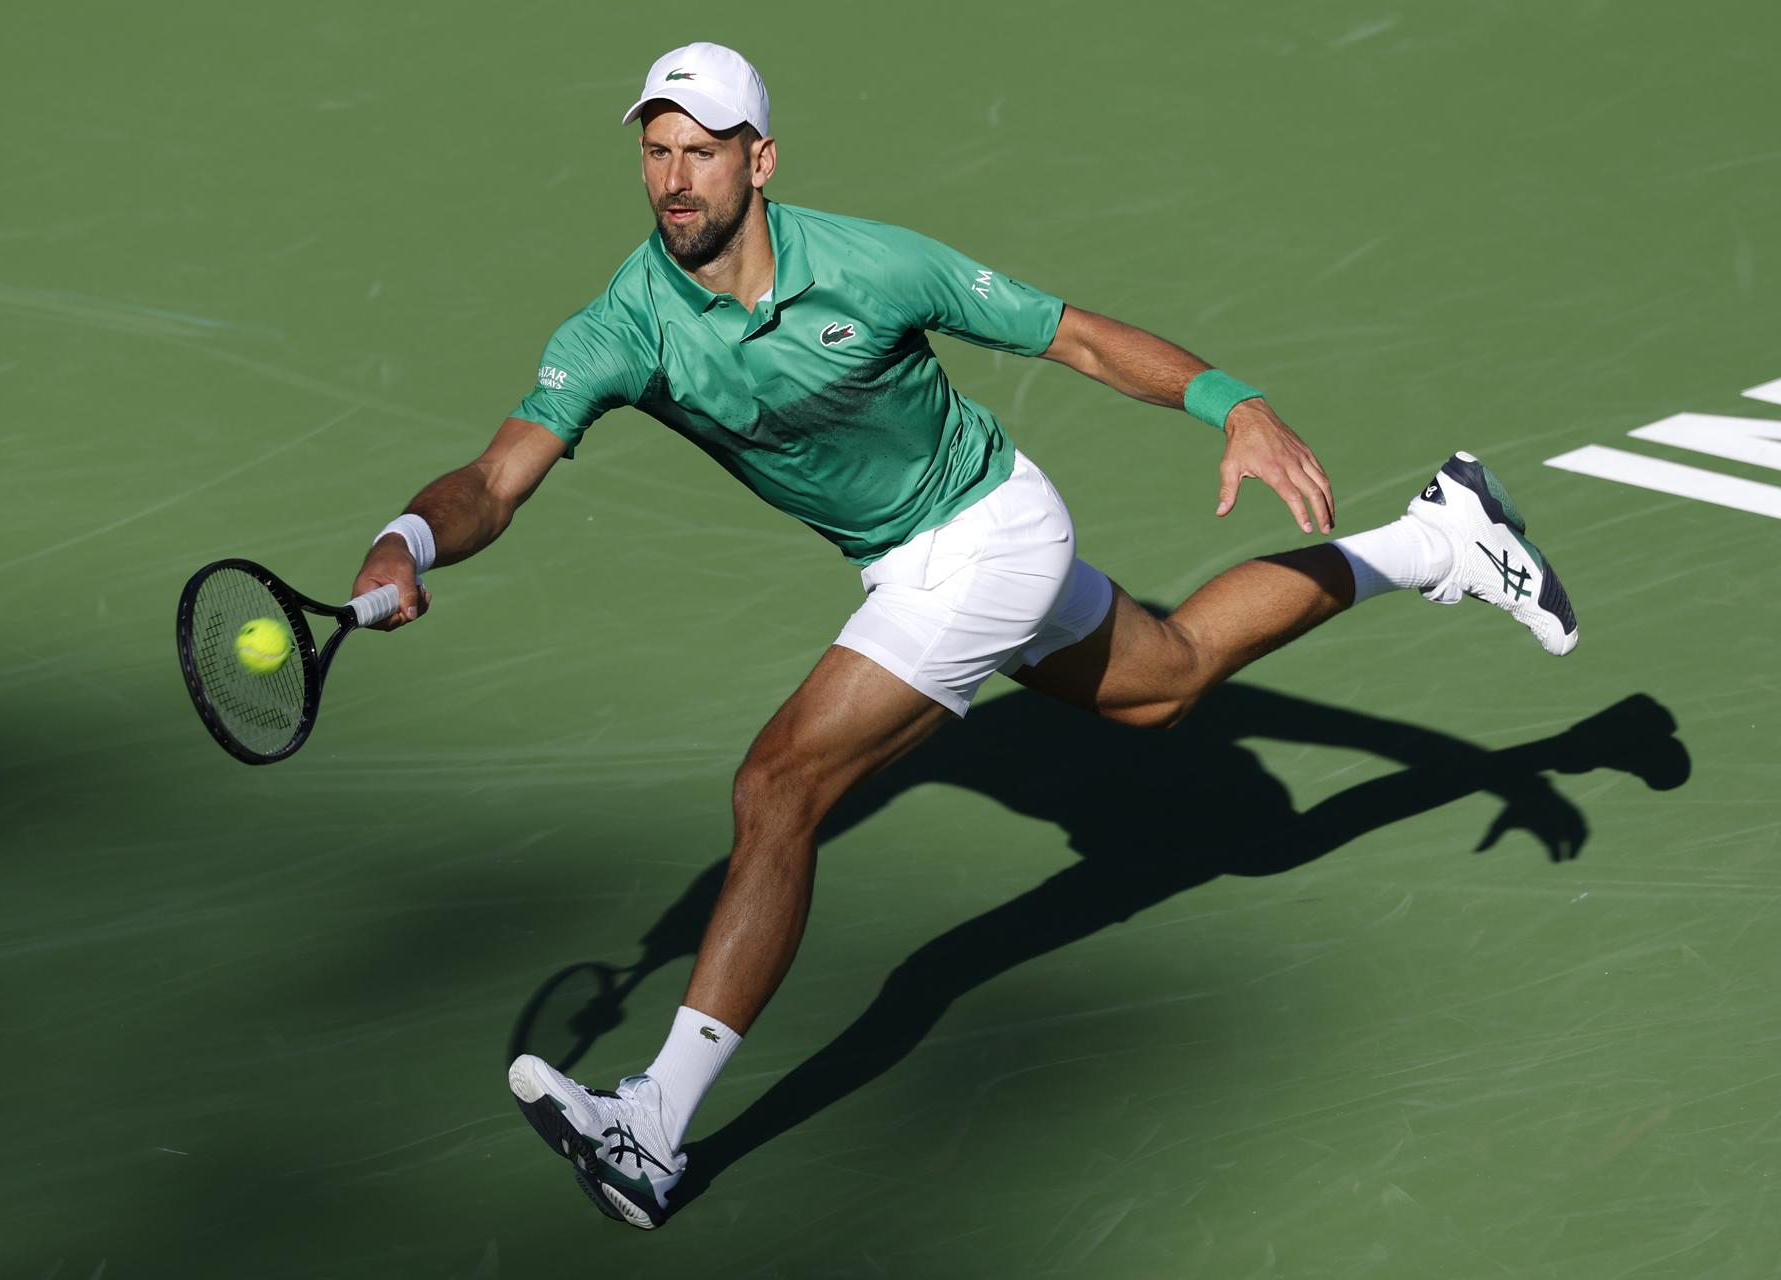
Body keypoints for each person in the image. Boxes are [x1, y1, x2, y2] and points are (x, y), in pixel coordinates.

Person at [349, 42, 1577, 1229]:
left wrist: (1233, 404)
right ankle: (1443, 537)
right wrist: (411, 534)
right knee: (1168, 681)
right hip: (911, 560)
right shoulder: (622, 327)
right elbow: (498, 478)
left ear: (760, 162)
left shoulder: (871, 266)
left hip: (991, 530)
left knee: (779, 786)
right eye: (658, 153)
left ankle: (654, 1126)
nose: (675, 180)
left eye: (703, 154)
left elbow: (1077, 334)